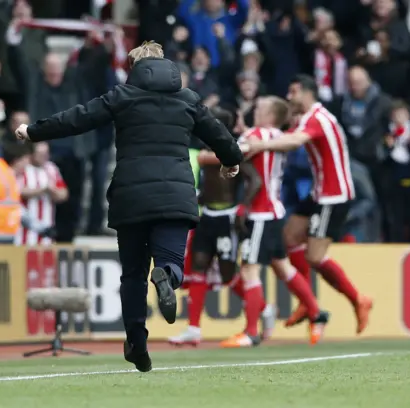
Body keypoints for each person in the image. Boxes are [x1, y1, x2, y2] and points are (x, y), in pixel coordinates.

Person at [14, 41, 243, 372]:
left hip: (130, 197)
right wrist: (231, 162)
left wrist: (33, 132)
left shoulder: (122, 96)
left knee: (133, 274)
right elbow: (219, 134)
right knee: (171, 261)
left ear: (135, 68)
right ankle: (165, 274)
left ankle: (136, 341)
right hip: (175, 196)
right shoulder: (189, 100)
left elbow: (78, 118)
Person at [243, 75, 373, 335]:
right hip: (319, 193)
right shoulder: (308, 118)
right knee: (288, 237)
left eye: (293, 92)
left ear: (306, 92)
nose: (290, 98)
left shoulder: (317, 118)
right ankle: (306, 301)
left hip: (333, 196)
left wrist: (260, 144)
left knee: (315, 256)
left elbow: (293, 142)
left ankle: (358, 299)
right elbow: (289, 137)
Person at [218, 96, 329, 348]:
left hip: (260, 213)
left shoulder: (256, 134)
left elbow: (232, 153)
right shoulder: (277, 136)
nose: (254, 110)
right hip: (275, 211)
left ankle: (250, 332)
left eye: (259, 108)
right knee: (282, 266)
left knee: (249, 269)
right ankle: (315, 311)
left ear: (270, 114)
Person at [168, 107, 275, 347]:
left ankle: (264, 308)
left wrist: (242, 207)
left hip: (227, 215)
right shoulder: (207, 149)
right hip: (207, 214)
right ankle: (194, 329)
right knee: (199, 265)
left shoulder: (231, 149)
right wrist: (197, 198)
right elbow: (208, 182)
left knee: (228, 273)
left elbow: (255, 180)